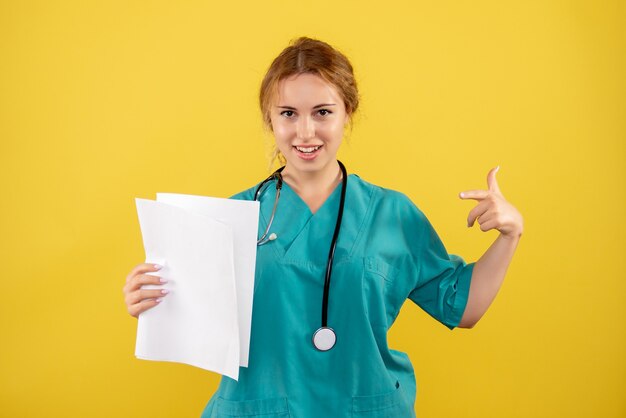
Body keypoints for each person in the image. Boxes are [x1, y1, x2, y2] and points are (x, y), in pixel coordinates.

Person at [123, 37, 523, 418]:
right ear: (270, 120)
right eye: (288, 114)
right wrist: (149, 300)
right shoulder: (229, 218)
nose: (305, 132)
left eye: (323, 112)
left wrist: (510, 235)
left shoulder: (392, 215)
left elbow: (462, 306)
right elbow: (191, 319)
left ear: (348, 112)